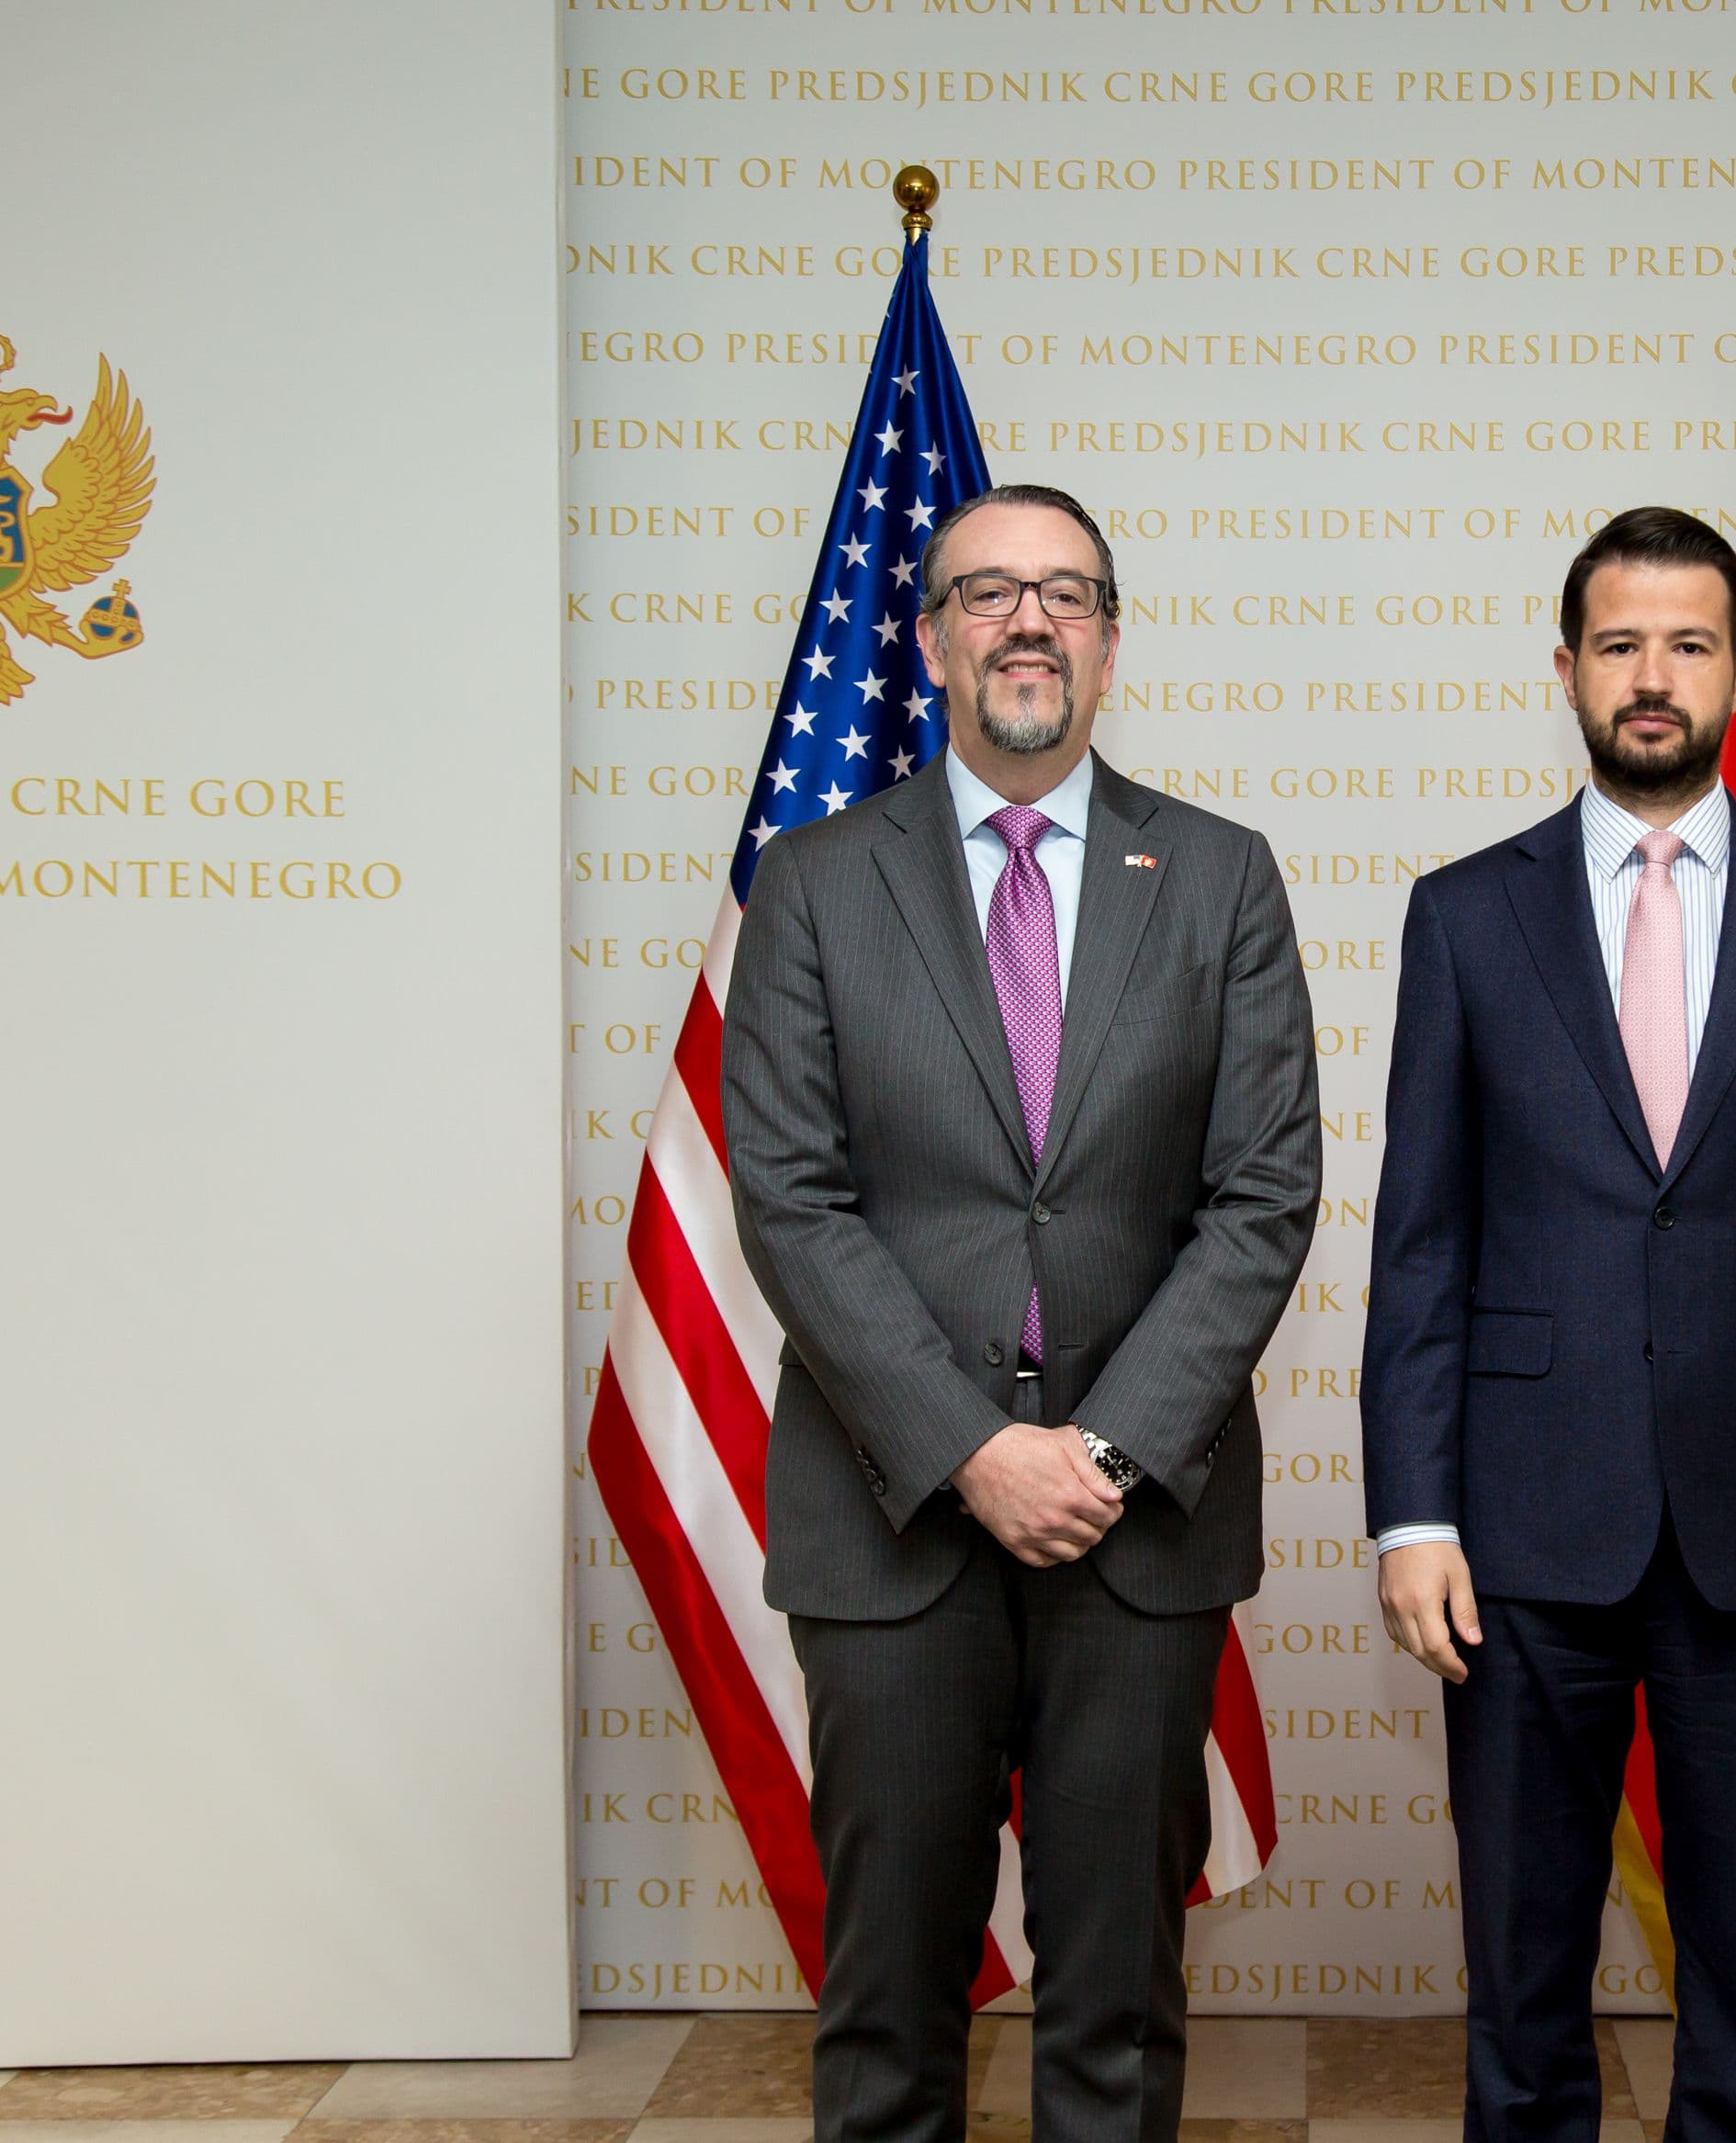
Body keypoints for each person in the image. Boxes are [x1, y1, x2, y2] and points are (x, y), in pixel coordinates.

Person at [720, 483, 1322, 2143]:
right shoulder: (814, 881)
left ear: (1111, 642)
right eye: (986, 592)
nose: (1029, 620)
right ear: (930, 640)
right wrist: (974, 1446)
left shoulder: (1220, 876)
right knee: (888, 2008)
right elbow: (791, 1196)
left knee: (1118, 2004)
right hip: (892, 1513)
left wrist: (1103, 1450)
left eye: (1066, 592)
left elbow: (1264, 1193)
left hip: (1139, 1529)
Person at [1361, 507, 1736, 2143]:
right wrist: (1413, 1514)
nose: (1651, 675)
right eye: (1619, 643)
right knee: (1521, 1984)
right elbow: (1421, 1244)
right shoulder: (1465, 914)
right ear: (1566, 667)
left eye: (1688, 644)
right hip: (1517, 1527)